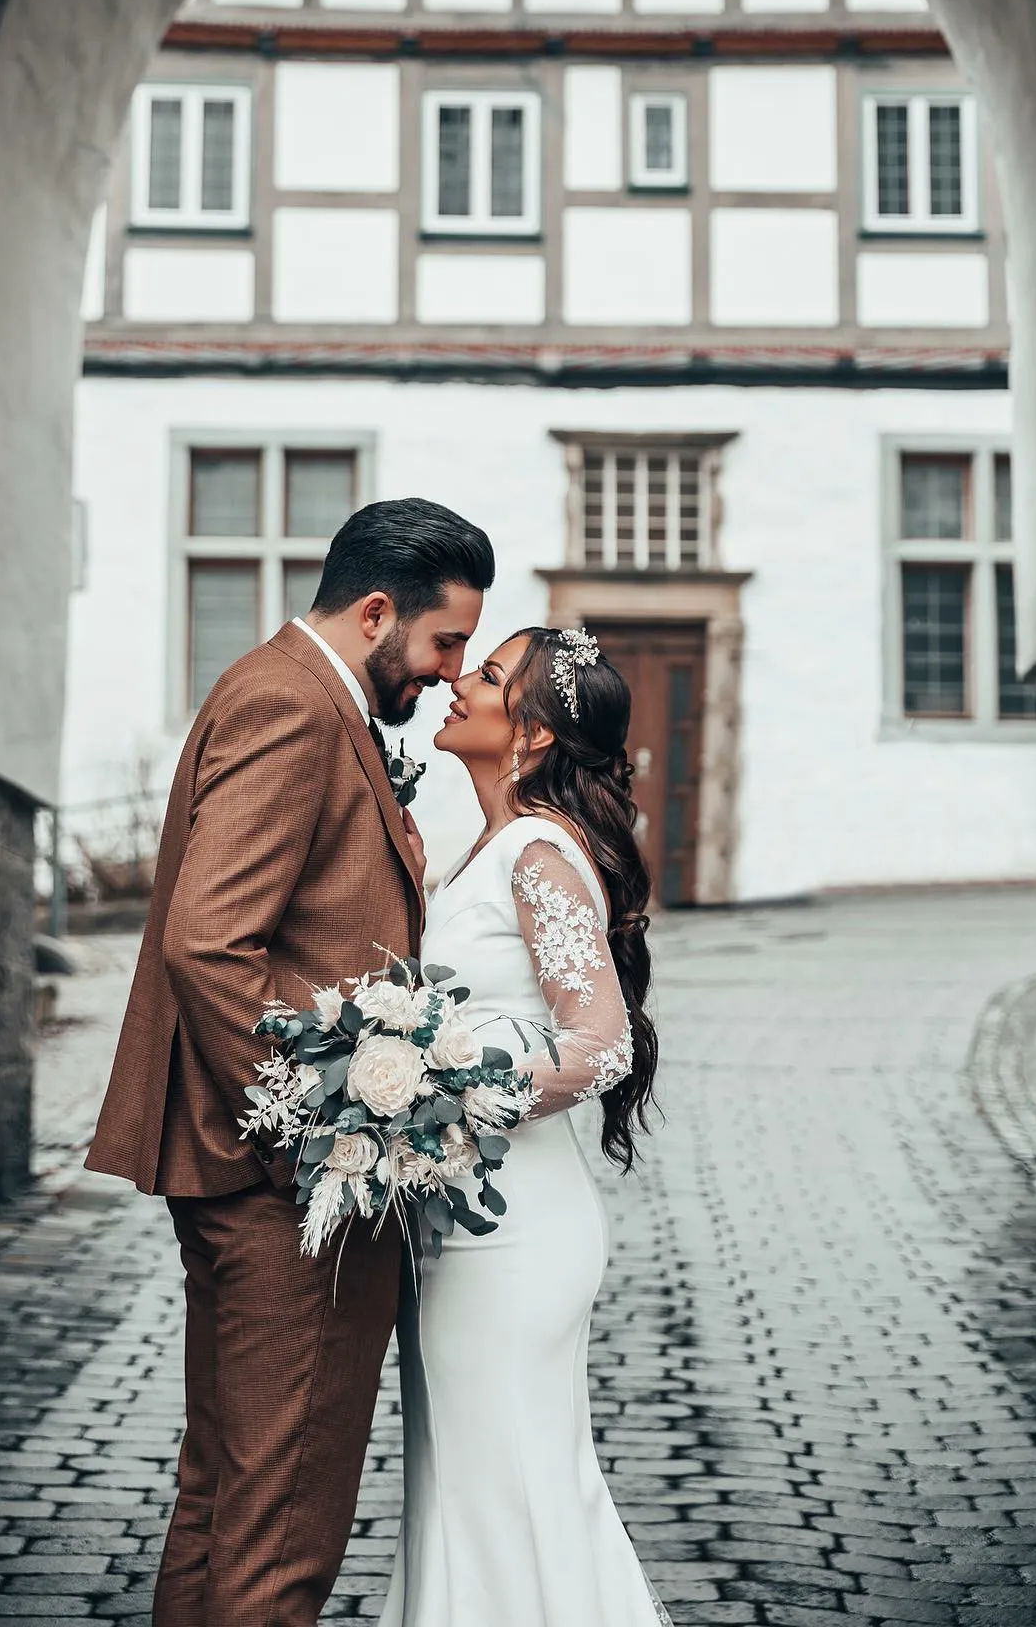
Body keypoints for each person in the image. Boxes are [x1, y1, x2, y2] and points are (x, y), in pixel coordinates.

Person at [84, 497, 495, 1627]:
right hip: (284, 1186)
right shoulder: (294, 705)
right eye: (445, 641)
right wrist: (320, 1132)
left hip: (239, 1171)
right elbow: (209, 941)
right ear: (376, 613)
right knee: (283, 1530)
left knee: (223, 1499)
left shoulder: (293, 691)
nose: (449, 670)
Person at [378, 625, 670, 1627]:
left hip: (515, 1228)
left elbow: (603, 1041)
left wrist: (442, 1093)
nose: (459, 682)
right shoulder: (484, 851)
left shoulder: (540, 854)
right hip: (458, 1224)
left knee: (511, 1487)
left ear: (535, 735)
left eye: (490, 676)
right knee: (466, 1486)